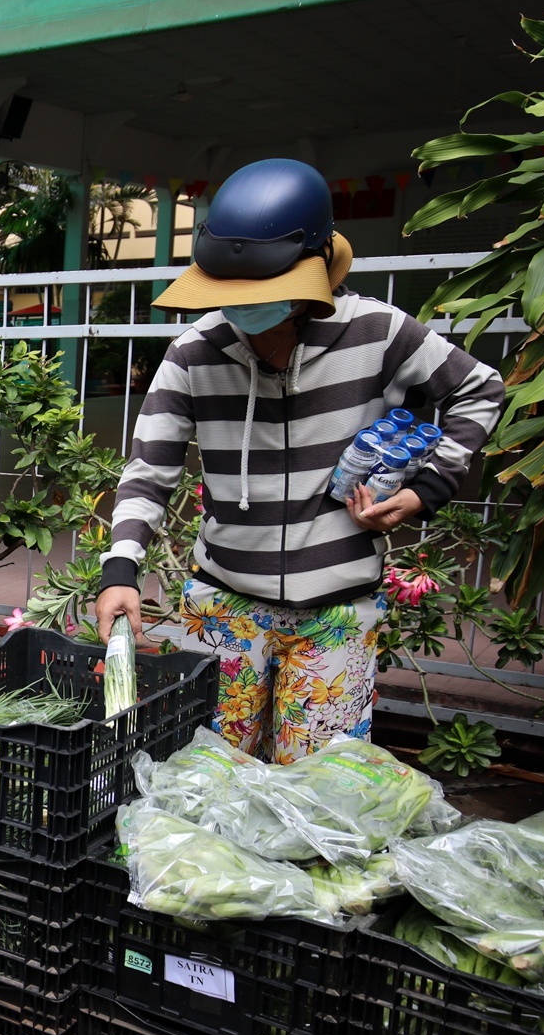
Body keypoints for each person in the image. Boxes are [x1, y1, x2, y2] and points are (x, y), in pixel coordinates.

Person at [94, 158, 505, 763]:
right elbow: (149, 470)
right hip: (223, 605)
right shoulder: (193, 352)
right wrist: (120, 570)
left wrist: (426, 489)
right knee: (208, 777)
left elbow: (480, 389)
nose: (242, 308)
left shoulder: (380, 333)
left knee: (313, 792)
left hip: (336, 613)